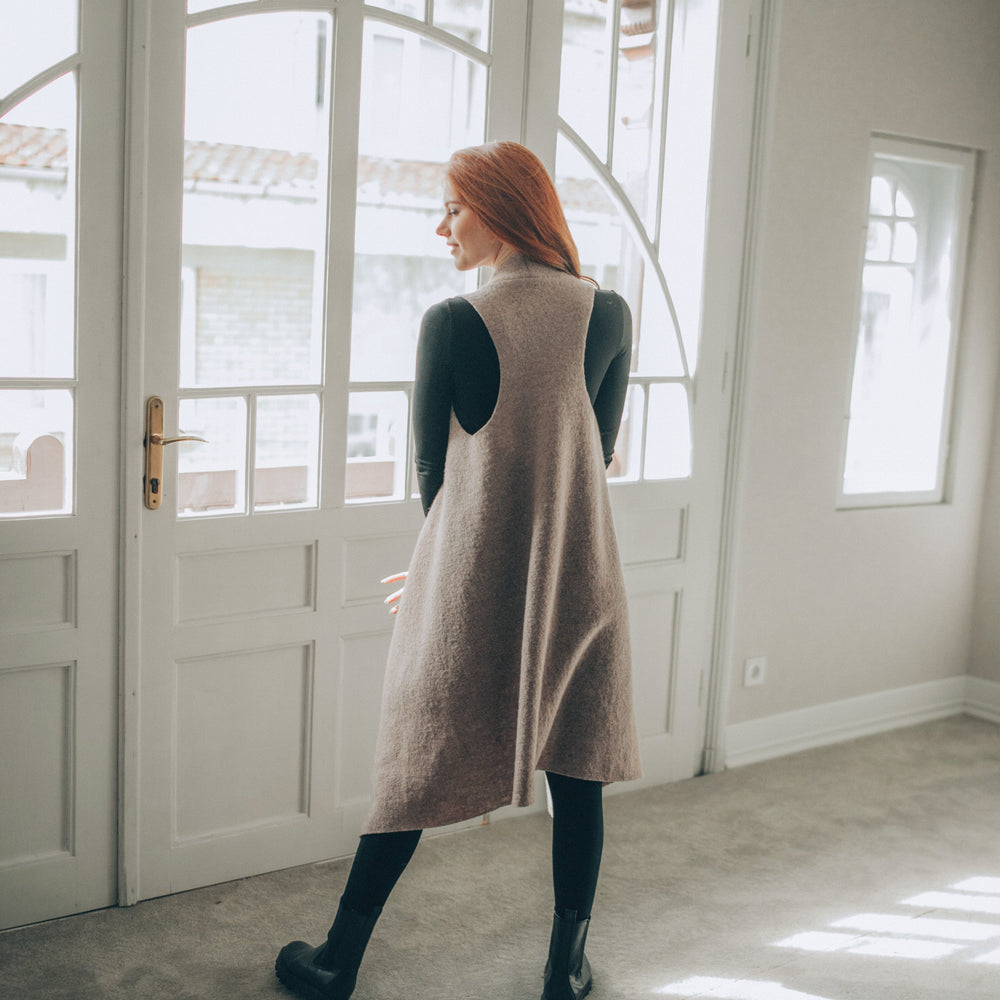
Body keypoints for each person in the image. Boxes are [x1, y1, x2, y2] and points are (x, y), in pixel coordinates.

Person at [275, 141, 642, 1000]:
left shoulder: (452, 320)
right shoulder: (611, 313)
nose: (442, 226)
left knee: (414, 767)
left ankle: (336, 964)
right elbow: (598, 452)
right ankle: (565, 971)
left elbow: (436, 484)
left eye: (453, 207)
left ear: (505, 209)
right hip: (582, 583)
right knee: (578, 770)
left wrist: (446, 573)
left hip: (475, 579)